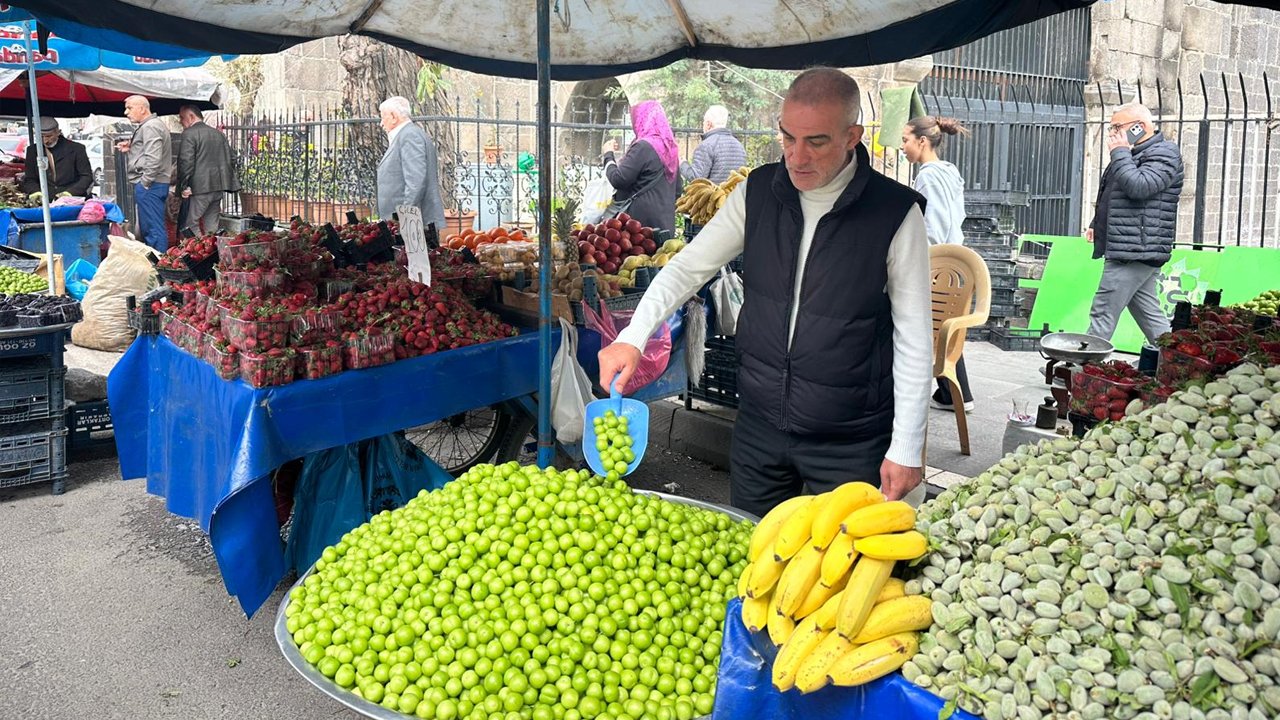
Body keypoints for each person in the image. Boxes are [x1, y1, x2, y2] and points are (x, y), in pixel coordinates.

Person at [598, 68, 933, 514]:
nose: (797, 156)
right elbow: (687, 268)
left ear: (852, 136)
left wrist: (906, 446)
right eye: (787, 137)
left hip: (851, 438)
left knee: (843, 555)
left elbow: (914, 338)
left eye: (816, 141)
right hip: (759, 427)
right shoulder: (757, 193)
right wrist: (633, 336)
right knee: (754, 545)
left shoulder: (895, 213)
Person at [1085, 101, 1184, 345]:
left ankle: (1084, 363)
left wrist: (1120, 152)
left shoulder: (1164, 153)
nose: (1112, 133)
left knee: (1103, 311)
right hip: (1133, 246)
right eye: (1111, 128)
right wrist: (1097, 223)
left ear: (1139, 126)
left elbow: (1139, 187)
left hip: (1135, 249)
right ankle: (1174, 360)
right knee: (1149, 314)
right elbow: (1114, 193)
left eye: (1117, 127)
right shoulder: (1131, 154)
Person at [901, 115, 974, 412]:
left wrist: (924, 262)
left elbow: (933, 225)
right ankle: (955, 394)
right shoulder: (949, 171)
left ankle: (952, 394)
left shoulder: (929, 176)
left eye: (905, 140)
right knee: (945, 329)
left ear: (922, 141)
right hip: (954, 260)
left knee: (933, 327)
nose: (902, 146)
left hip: (938, 263)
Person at [600, 100, 679, 235]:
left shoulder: (643, 146)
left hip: (639, 228)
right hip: (665, 226)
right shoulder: (670, 148)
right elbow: (678, 190)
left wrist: (608, 155)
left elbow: (619, 179)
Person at [376, 96, 446, 233]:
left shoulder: (409, 136)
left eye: (383, 117)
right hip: (408, 222)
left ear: (394, 116)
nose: (381, 123)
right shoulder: (408, 134)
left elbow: (415, 182)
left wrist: (403, 218)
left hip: (412, 224)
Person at [116, 95, 172, 251]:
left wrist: (145, 182)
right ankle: (157, 260)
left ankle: (159, 262)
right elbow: (150, 152)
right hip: (153, 183)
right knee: (150, 228)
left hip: (151, 184)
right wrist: (132, 148)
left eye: (129, 108)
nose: (126, 112)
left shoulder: (150, 126)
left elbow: (154, 158)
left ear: (142, 108)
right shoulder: (150, 125)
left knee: (153, 229)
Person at [176, 105, 240, 236]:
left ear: (191, 117)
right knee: (211, 226)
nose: (180, 121)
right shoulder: (218, 134)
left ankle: (199, 248)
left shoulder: (189, 134)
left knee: (190, 224)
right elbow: (232, 157)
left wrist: (184, 186)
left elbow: (186, 162)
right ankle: (212, 247)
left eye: (182, 118)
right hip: (218, 187)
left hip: (198, 188)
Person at [20, 117, 93, 197]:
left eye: (49, 136)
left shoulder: (77, 149)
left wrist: (69, 193)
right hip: (45, 198)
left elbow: (86, 177)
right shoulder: (32, 151)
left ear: (58, 132)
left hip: (73, 198)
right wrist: (35, 192)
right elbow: (30, 178)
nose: (45, 141)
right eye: (41, 137)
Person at [690, 105, 748, 185]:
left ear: (708, 124)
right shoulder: (739, 146)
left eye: (704, 122)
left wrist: (683, 165)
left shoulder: (706, 145)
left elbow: (697, 179)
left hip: (714, 193)